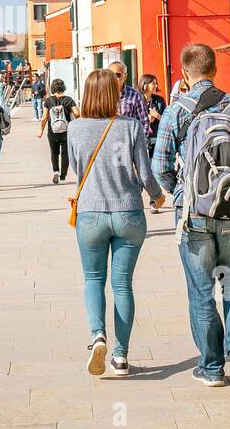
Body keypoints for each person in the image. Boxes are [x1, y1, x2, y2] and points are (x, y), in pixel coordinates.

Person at [153, 43, 230, 388]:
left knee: (201, 290)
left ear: (185, 73)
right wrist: (227, 190)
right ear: (215, 69)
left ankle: (211, 368)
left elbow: (160, 166)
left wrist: (185, 192)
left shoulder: (176, 110)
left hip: (193, 214)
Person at [67, 69, 165, 377]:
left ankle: (98, 335)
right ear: (115, 95)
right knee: (122, 284)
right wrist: (157, 196)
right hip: (128, 213)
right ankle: (121, 357)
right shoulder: (131, 126)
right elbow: (146, 174)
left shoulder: (74, 128)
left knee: (93, 280)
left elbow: (76, 169)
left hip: (91, 214)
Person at [37, 78, 77, 184]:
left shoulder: (48, 101)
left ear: (52, 88)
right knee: (65, 153)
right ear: (63, 87)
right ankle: (63, 176)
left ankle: (55, 171)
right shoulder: (69, 99)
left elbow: (44, 117)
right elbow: (77, 113)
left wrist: (41, 130)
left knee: (54, 152)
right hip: (66, 131)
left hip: (52, 131)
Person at [108, 61, 150, 141]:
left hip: (128, 144)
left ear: (125, 76)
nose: (113, 78)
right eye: (110, 75)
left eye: (117, 75)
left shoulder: (134, 95)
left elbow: (144, 123)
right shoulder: (102, 95)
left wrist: (136, 143)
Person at [140, 73, 166, 157]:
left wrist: (157, 116)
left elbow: (167, 121)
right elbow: (130, 117)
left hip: (156, 138)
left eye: (156, 83)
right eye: (153, 83)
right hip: (141, 137)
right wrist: (146, 118)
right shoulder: (136, 98)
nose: (156, 85)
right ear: (145, 84)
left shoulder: (159, 100)